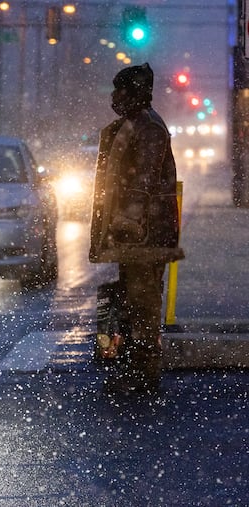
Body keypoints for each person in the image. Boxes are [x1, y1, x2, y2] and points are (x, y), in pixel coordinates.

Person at [89, 62, 185, 395]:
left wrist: (127, 219)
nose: (115, 97)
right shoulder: (131, 125)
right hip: (135, 233)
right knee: (132, 300)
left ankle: (143, 371)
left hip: (146, 234)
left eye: (121, 90)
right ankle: (135, 367)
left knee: (142, 301)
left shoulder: (149, 128)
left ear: (135, 93)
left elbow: (143, 181)